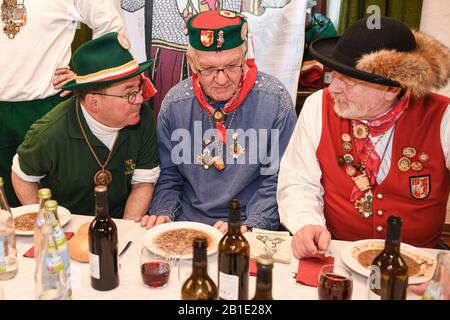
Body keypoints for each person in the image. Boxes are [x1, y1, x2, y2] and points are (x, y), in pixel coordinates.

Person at [277, 17, 450, 258]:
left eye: (349, 81)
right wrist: (307, 222)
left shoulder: (443, 118)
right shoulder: (318, 106)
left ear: (392, 88)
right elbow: (299, 181)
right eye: (334, 74)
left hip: (418, 263)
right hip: (335, 253)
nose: (334, 88)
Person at [141, 10, 297, 233]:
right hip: (188, 222)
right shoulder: (175, 104)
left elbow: (278, 178)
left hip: (247, 221)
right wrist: (164, 213)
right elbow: (169, 175)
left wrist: (253, 224)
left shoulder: (275, 102)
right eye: (209, 69)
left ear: (245, 57)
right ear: (192, 63)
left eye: (232, 66)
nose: (222, 79)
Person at [11, 32, 160, 219]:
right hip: (68, 227)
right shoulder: (50, 132)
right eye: (129, 93)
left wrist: (123, 231)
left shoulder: (143, 118)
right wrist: (49, 223)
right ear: (93, 102)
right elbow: (22, 177)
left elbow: (143, 184)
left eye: (139, 88)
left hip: (119, 222)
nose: (139, 99)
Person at [0, 0, 124, 206]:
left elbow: (110, 25)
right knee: (6, 209)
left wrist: (87, 76)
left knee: (56, 203)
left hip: (45, 107)